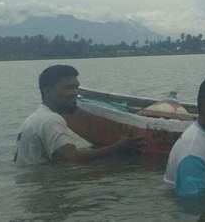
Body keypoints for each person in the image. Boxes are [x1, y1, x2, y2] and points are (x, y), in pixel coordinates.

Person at [14, 65, 143, 165]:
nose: (75, 93)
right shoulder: (50, 120)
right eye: (69, 88)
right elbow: (74, 158)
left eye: (76, 87)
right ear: (47, 91)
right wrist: (119, 147)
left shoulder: (34, 118)